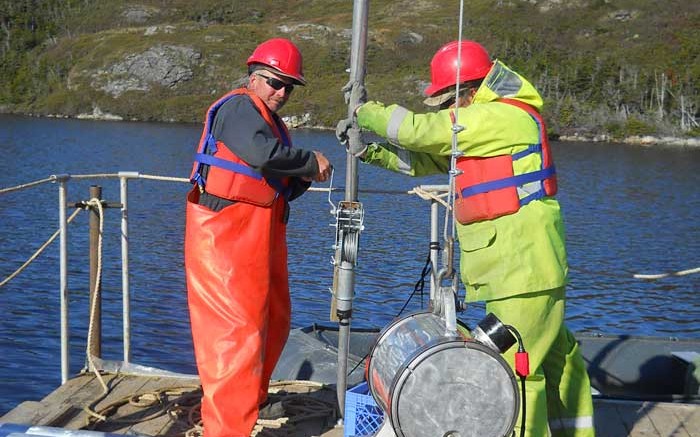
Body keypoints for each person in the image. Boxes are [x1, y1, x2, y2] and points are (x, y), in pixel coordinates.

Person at [338, 40, 595, 437]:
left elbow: (418, 131)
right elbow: (426, 160)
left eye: (447, 102)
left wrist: (363, 112)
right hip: (521, 270)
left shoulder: (499, 117)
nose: (446, 110)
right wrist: (370, 152)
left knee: (512, 375)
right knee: (555, 361)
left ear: (470, 91)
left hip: (522, 268)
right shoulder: (487, 125)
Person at [184, 37, 332, 437]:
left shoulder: (272, 121)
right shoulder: (238, 108)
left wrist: (304, 175)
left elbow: (273, 180)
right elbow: (259, 154)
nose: (281, 92)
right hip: (223, 235)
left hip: (260, 232)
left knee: (275, 320)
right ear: (253, 76)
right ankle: (227, 429)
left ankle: (250, 401)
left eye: (288, 86)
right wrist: (308, 161)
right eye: (273, 81)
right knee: (235, 336)